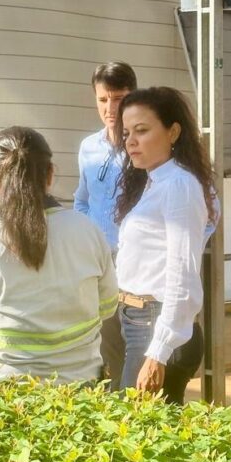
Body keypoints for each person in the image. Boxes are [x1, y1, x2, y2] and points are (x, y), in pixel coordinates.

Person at [0, 126, 118, 384]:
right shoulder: (89, 231)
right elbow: (107, 306)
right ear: (50, 175)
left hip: (1, 397)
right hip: (80, 393)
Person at [114, 87, 220, 403]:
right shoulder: (156, 180)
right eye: (126, 132)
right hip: (139, 322)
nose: (130, 141)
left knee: (134, 438)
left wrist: (159, 350)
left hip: (157, 326)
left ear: (173, 131)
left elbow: (182, 272)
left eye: (142, 131)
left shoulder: (179, 185)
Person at [74, 61, 137, 390]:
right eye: (104, 99)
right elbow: (82, 199)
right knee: (109, 347)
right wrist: (87, 239)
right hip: (101, 263)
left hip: (139, 266)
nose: (111, 108)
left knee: (141, 348)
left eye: (120, 98)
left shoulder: (146, 145)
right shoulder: (89, 147)